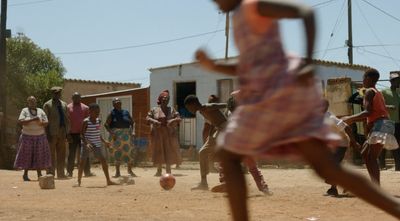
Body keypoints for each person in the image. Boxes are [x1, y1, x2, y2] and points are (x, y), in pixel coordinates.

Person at [196, 1, 400, 220]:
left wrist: (308, 61)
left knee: (325, 167)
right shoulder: (239, 17)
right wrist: (214, 66)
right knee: (230, 155)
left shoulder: (254, 6)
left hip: (283, 88)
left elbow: (305, 12)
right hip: (267, 92)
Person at [186, 93, 270, 194]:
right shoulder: (207, 111)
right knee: (208, 154)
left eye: (188, 107)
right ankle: (213, 182)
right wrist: (210, 136)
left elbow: (223, 107)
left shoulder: (210, 107)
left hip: (229, 134)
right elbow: (214, 121)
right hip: (223, 133)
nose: (188, 110)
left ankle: (259, 186)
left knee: (244, 160)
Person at [343, 69, 399, 184]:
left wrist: (349, 119)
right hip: (383, 124)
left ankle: (375, 187)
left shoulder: (369, 91)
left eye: (363, 78)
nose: (363, 81)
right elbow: (371, 114)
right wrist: (353, 120)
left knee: (371, 157)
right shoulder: (377, 92)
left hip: (380, 125)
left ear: (368, 78)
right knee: (365, 153)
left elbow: (367, 112)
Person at [322, 99, 360, 196]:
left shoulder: (330, 118)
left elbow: (347, 127)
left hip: (340, 144)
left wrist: (354, 142)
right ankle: (337, 187)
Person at [76, 103, 116, 187]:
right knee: (82, 162)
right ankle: (78, 181)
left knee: (103, 161)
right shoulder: (86, 121)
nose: (98, 113)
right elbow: (81, 135)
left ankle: (108, 180)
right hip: (87, 145)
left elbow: (98, 133)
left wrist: (104, 141)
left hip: (97, 144)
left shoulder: (98, 120)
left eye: (98, 112)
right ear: (90, 112)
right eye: (96, 112)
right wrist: (87, 144)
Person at [14, 96, 51, 181]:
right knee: (27, 155)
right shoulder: (24, 110)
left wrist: (40, 122)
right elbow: (21, 122)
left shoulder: (40, 111)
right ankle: (25, 175)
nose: (33, 102)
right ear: (28, 102)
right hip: (27, 136)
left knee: (39, 155)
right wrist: (33, 119)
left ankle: (39, 174)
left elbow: (46, 123)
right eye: (31, 101)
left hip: (40, 136)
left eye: (34, 101)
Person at [147, 90, 181, 176]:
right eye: (164, 98)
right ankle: (159, 170)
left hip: (169, 134)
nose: (166, 100)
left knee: (168, 151)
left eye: (167, 99)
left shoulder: (171, 109)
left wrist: (173, 120)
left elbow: (179, 118)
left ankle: (168, 170)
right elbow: (147, 118)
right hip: (158, 134)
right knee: (159, 151)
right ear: (160, 99)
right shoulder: (154, 109)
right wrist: (155, 121)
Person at [104, 98, 136, 178]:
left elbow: (133, 122)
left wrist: (133, 131)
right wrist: (112, 133)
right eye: (116, 102)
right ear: (113, 104)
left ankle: (130, 170)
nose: (118, 102)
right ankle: (118, 172)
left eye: (119, 101)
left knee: (128, 151)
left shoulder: (126, 112)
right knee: (117, 153)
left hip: (126, 135)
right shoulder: (112, 113)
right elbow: (106, 124)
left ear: (121, 103)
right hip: (116, 136)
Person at [43, 86, 70, 179]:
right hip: (51, 132)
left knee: (62, 154)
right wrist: (47, 134)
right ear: (52, 94)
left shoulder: (64, 104)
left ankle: (61, 173)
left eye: (59, 93)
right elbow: (45, 120)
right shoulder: (47, 105)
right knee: (50, 154)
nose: (57, 95)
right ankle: (50, 173)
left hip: (62, 132)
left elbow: (67, 119)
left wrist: (67, 133)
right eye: (56, 93)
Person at [66, 92, 93, 178]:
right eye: (74, 97)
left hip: (83, 134)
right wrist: (68, 134)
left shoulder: (85, 108)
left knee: (85, 153)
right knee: (71, 154)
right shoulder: (68, 107)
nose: (76, 99)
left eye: (78, 97)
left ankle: (87, 171)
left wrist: (87, 133)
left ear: (80, 98)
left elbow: (88, 121)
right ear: (72, 98)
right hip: (72, 134)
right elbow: (67, 121)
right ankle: (69, 172)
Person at [379, 72, 400, 171]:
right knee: (383, 143)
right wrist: (388, 106)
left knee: (397, 144)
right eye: (396, 80)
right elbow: (379, 105)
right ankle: (382, 165)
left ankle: (398, 166)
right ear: (391, 81)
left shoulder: (398, 93)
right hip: (387, 122)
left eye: (398, 80)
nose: (398, 82)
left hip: (397, 123)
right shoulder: (384, 92)